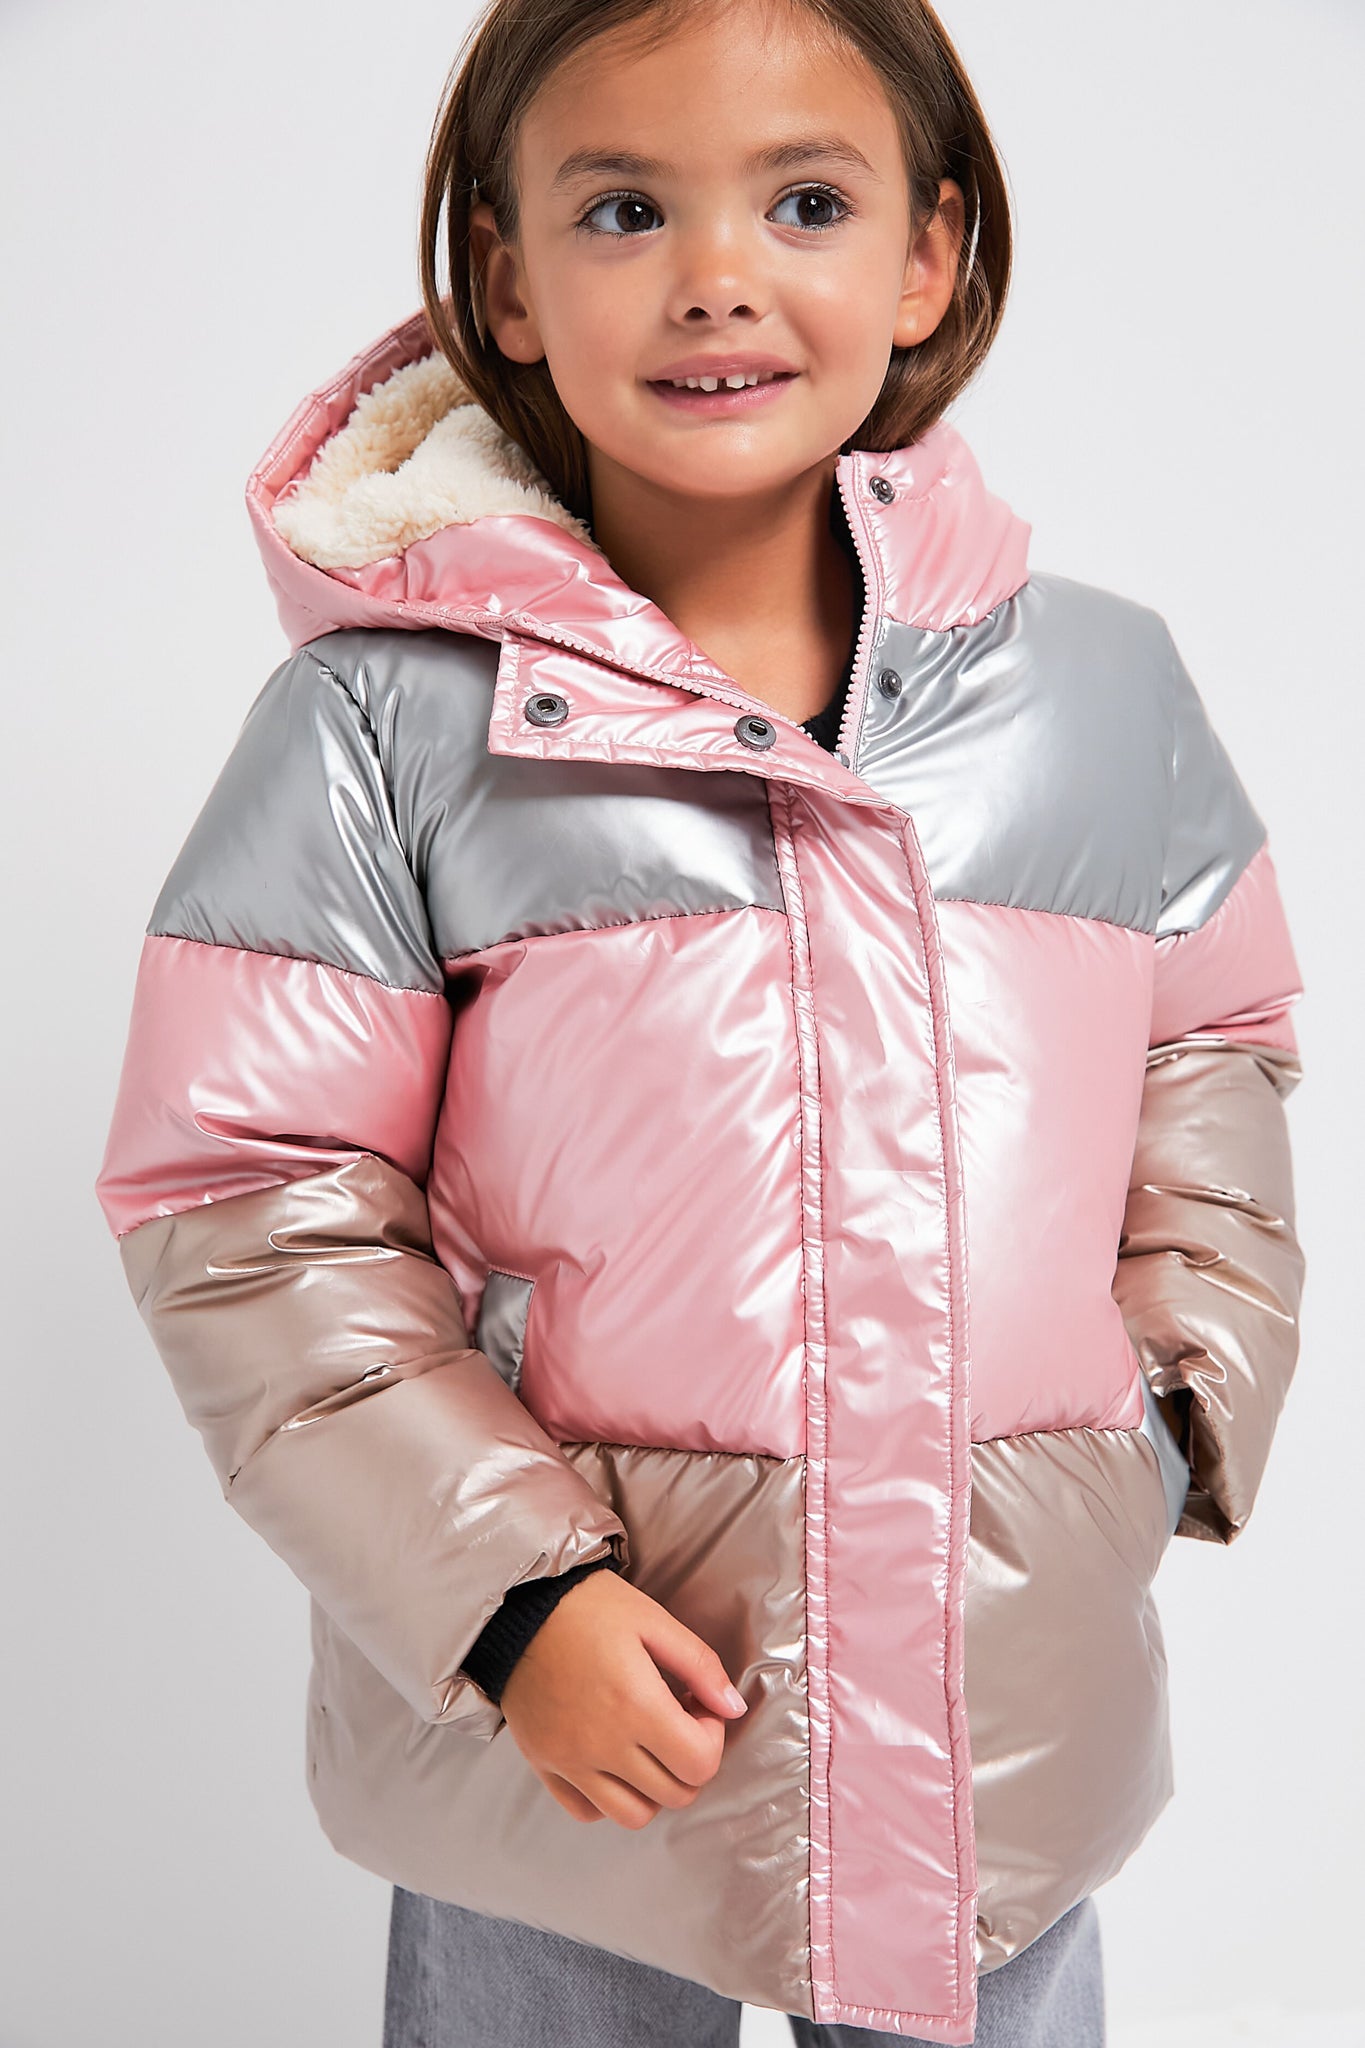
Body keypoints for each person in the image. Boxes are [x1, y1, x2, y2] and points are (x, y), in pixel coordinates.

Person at [92, 0, 1307, 2040]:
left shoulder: (1102, 695)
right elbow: (247, 1198)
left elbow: (1213, 1051)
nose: (715, 276)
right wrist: (507, 1600)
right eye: (625, 209)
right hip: (561, 1727)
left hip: (994, 1695)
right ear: (505, 278)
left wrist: (1166, 1413)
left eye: (805, 202)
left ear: (924, 254)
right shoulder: (386, 727)